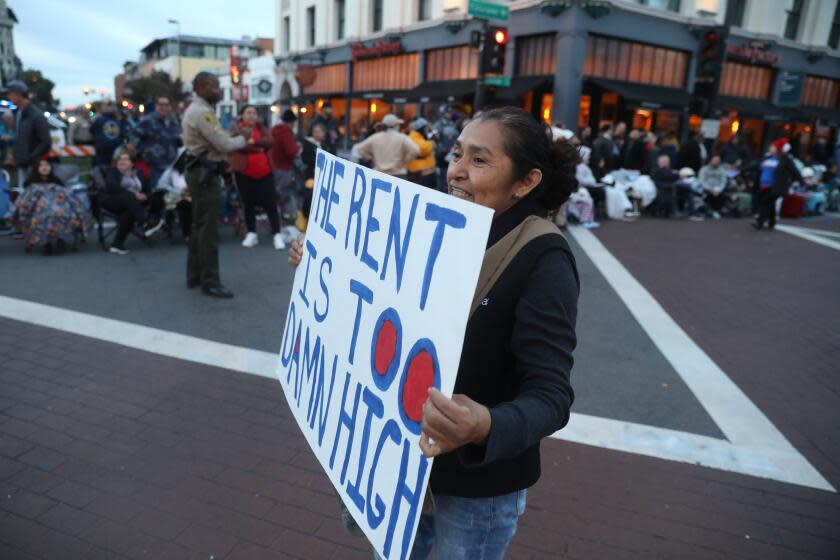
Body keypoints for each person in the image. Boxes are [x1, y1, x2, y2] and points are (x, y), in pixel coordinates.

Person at [291, 106, 580, 559]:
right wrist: (327, 261)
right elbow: (378, 299)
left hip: (476, 491)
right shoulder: (436, 224)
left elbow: (551, 396)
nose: (457, 172)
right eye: (456, 154)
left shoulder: (543, 258)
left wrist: (484, 423)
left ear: (525, 183)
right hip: (406, 472)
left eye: (480, 161)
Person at [181, 72, 249, 298]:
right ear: (202, 87)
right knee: (208, 229)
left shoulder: (199, 111)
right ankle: (210, 281)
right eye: (215, 86)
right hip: (205, 174)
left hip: (200, 171)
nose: (219, 90)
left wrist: (231, 136)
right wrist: (243, 139)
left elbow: (217, 138)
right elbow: (224, 144)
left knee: (199, 226)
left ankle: (194, 275)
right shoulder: (202, 112)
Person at [230, 105, 284, 250]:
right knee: (248, 204)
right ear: (242, 115)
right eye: (248, 113)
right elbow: (237, 145)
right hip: (244, 172)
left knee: (271, 204)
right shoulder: (236, 129)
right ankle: (252, 233)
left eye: (254, 113)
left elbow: (270, 142)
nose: (252, 116)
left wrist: (254, 142)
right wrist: (258, 147)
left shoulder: (262, 128)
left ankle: (277, 234)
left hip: (265, 173)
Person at [13, 159, 88, 255]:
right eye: (41, 165)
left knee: (62, 213)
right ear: (37, 168)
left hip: (60, 208)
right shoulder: (31, 183)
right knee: (47, 215)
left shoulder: (56, 181)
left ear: (51, 168)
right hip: (38, 210)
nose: (44, 167)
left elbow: (67, 196)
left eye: (47, 165)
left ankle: (59, 240)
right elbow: (26, 200)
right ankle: (47, 243)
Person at [4, 80, 51, 187]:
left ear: (18, 94)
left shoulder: (36, 115)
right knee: (23, 192)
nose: (8, 96)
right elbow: (21, 138)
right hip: (23, 163)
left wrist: (31, 158)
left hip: (32, 165)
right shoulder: (19, 113)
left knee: (31, 194)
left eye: (9, 93)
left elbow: (46, 142)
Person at [130, 96, 182, 191]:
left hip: (172, 165)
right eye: (161, 105)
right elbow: (133, 135)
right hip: (155, 166)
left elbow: (178, 139)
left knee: (172, 195)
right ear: (156, 106)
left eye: (166, 105)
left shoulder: (174, 121)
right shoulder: (148, 120)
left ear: (170, 107)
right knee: (157, 193)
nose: (164, 107)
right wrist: (144, 150)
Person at [101, 152, 149, 254]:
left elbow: (147, 189)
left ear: (132, 163)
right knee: (129, 196)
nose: (121, 161)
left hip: (133, 205)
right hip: (112, 201)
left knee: (128, 213)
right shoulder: (113, 172)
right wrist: (134, 195)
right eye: (120, 159)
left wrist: (145, 195)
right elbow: (111, 187)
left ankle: (117, 244)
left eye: (125, 159)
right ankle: (143, 220)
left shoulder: (139, 173)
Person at [753, 137, 802, 231]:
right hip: (763, 186)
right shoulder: (767, 158)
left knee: (765, 203)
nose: (770, 148)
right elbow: (756, 166)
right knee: (770, 204)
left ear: (778, 149)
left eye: (773, 146)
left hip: (775, 187)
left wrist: (801, 182)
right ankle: (772, 222)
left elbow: (795, 171)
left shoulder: (785, 160)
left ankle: (760, 222)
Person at [353, 114, 420, 179]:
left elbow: (360, 149)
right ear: (395, 126)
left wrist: (372, 158)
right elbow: (416, 150)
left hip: (379, 173)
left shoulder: (375, 137)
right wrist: (404, 161)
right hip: (398, 173)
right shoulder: (402, 137)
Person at [154, 148, 192, 241]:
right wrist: (178, 191)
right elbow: (161, 184)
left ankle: (193, 232)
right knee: (176, 203)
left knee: (189, 204)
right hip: (175, 196)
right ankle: (187, 234)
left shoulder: (196, 170)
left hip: (193, 195)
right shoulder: (171, 170)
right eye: (186, 157)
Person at [270, 108, 302, 199]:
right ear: (292, 122)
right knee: (282, 194)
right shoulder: (286, 132)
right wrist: (299, 149)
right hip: (284, 168)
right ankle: (281, 212)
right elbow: (292, 151)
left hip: (274, 166)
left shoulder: (275, 130)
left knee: (276, 192)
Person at [90, 102, 128, 168]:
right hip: (116, 149)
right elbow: (123, 133)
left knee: (102, 169)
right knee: (116, 168)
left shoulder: (99, 120)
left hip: (102, 150)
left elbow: (91, 130)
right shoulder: (118, 121)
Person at [406, 118, 437, 189]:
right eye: (425, 128)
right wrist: (432, 143)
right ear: (421, 128)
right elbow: (423, 149)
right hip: (420, 175)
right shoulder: (413, 137)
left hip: (424, 174)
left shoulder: (420, 137)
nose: (427, 130)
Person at [698, 154, 727, 219]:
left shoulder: (722, 170)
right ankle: (710, 210)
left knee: (721, 194)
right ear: (710, 161)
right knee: (708, 194)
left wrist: (719, 189)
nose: (717, 162)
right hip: (707, 189)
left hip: (718, 189)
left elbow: (723, 181)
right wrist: (710, 189)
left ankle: (716, 211)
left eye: (718, 160)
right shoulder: (704, 169)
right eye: (715, 160)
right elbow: (702, 181)